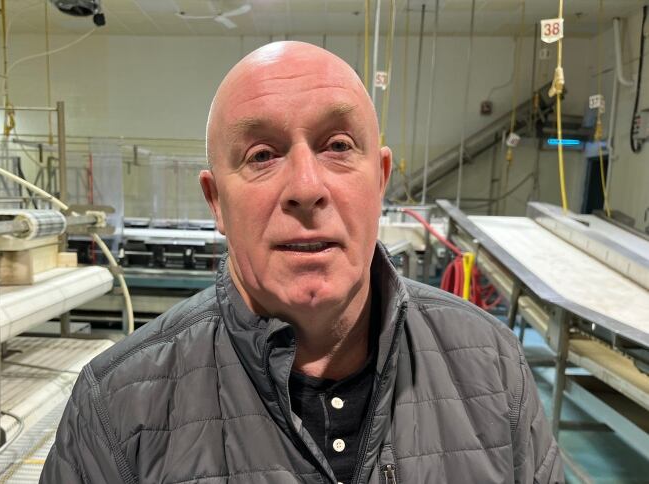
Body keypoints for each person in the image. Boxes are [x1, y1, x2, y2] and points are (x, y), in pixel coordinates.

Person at [41, 41, 563, 484]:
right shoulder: (115, 409)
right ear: (217, 201)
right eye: (262, 155)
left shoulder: (494, 368)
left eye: (337, 145)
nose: (306, 189)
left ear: (379, 181)